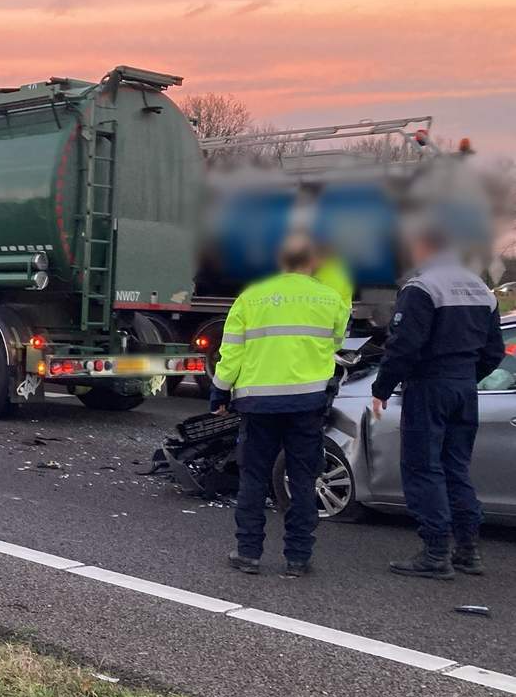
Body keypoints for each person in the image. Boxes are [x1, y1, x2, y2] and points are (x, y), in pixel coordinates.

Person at [211, 235, 349, 578]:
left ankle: (248, 553)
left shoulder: (251, 298)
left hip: (258, 405)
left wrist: (220, 391)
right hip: (307, 403)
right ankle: (298, 559)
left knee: (254, 477)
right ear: (312, 261)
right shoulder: (330, 298)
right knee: (303, 479)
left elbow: (231, 353)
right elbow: (337, 342)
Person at [371, 233, 506, 580]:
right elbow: (494, 352)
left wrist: (382, 387)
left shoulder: (423, 287)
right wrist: (465, 376)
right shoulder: (481, 289)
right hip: (464, 389)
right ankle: (468, 550)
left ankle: (435, 553)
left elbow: (404, 346)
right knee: (456, 468)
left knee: (423, 467)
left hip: (429, 387)